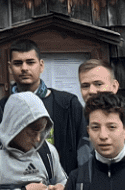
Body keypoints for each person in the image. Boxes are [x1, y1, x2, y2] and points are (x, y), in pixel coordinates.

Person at [6, 39, 83, 174]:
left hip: (63, 187)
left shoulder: (68, 104)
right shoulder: (2, 108)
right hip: (19, 189)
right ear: (10, 67)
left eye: (30, 62)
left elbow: (84, 149)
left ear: (41, 65)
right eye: (18, 63)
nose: (24, 68)